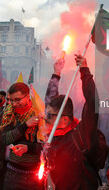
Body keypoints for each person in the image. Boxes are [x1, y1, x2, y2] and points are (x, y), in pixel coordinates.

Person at [42, 55, 101, 189]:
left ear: (64, 119)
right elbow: (49, 100)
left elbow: (92, 103)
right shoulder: (52, 136)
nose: (45, 118)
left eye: (49, 115)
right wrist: (56, 73)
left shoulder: (81, 134)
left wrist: (84, 70)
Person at [0, 83, 42, 190]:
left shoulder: (37, 116)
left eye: (17, 100)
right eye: (10, 100)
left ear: (28, 97)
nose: (13, 104)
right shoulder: (3, 116)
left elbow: (44, 146)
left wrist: (28, 148)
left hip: (25, 171)